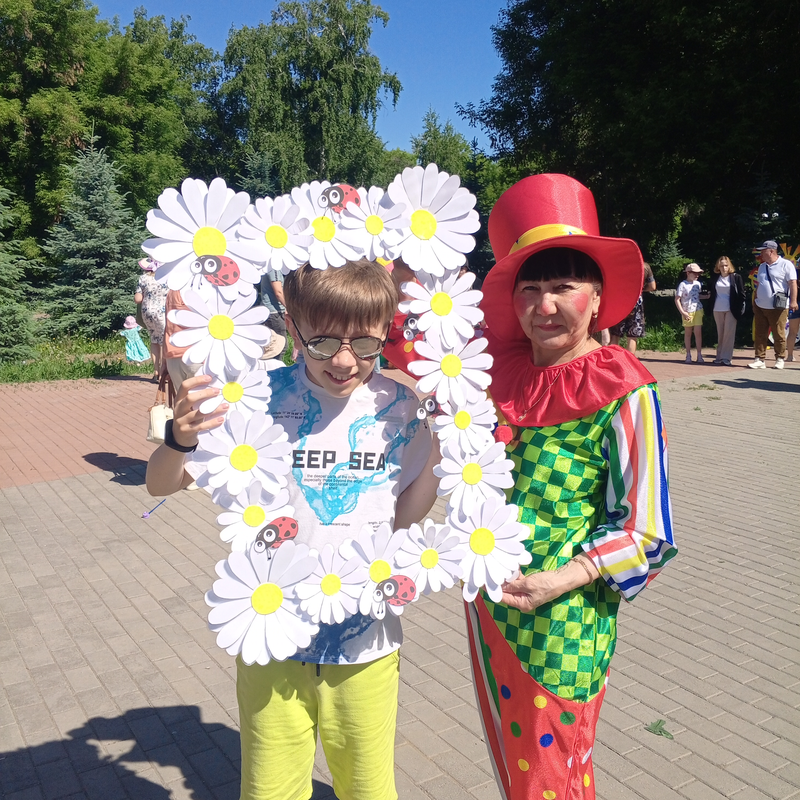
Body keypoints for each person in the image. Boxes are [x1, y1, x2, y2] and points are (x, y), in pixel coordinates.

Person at [146, 258, 440, 800]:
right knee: (271, 785)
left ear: (385, 331)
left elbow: (404, 513)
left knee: (367, 784)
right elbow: (160, 484)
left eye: (365, 343)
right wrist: (179, 440)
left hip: (365, 635)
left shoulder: (402, 408)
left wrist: (444, 449)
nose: (345, 360)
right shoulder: (255, 398)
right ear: (292, 327)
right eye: (323, 342)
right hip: (270, 628)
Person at [473, 174, 677, 800]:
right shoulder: (500, 373)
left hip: (565, 614)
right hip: (491, 606)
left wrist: (560, 580)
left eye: (563, 286)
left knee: (556, 776)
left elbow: (647, 530)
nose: (544, 306)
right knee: (516, 765)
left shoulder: (624, 388)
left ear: (597, 297)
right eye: (530, 289)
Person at [748, 240, 798, 369]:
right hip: (760, 305)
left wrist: (793, 301)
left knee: (778, 333)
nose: (761, 254)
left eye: (763, 251)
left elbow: (792, 283)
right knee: (760, 333)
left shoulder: (786, 264)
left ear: (771, 251)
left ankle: (780, 358)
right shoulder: (762, 266)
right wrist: (756, 300)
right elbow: (759, 284)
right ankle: (759, 359)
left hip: (778, 306)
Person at [608, 261, 655, 354]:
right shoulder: (645, 266)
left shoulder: (621, 264)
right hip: (636, 302)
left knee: (615, 334)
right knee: (632, 335)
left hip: (620, 301)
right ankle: (629, 360)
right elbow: (652, 286)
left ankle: (611, 358)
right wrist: (641, 289)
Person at [135, 258, 169, 379]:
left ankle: (156, 371)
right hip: (163, 312)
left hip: (147, 312)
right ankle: (164, 370)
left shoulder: (143, 278)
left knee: (154, 340)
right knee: (164, 341)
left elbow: (138, 299)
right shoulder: (167, 277)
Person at [709, 255, 745, 366]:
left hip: (731, 309)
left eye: (726, 265)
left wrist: (739, 308)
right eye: (721, 266)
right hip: (717, 308)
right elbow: (711, 293)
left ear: (729, 266)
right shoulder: (715, 278)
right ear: (718, 267)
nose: (724, 268)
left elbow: (742, 294)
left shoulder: (736, 277)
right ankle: (719, 357)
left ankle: (726, 358)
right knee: (720, 333)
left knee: (728, 334)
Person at [675, 263, 708, 363]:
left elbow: (696, 296)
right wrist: (683, 312)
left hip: (698, 309)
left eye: (698, 273)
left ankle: (699, 355)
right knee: (688, 333)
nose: (697, 275)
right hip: (687, 311)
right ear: (688, 273)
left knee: (698, 333)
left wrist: (707, 297)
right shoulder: (683, 284)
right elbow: (677, 299)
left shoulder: (698, 284)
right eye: (695, 273)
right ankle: (688, 354)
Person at [260, 268, 289, 359]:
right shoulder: (274, 268)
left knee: (276, 346)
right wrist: (290, 308)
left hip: (273, 312)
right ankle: (275, 367)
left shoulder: (273, 269)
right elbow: (278, 293)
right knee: (279, 347)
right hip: (274, 312)